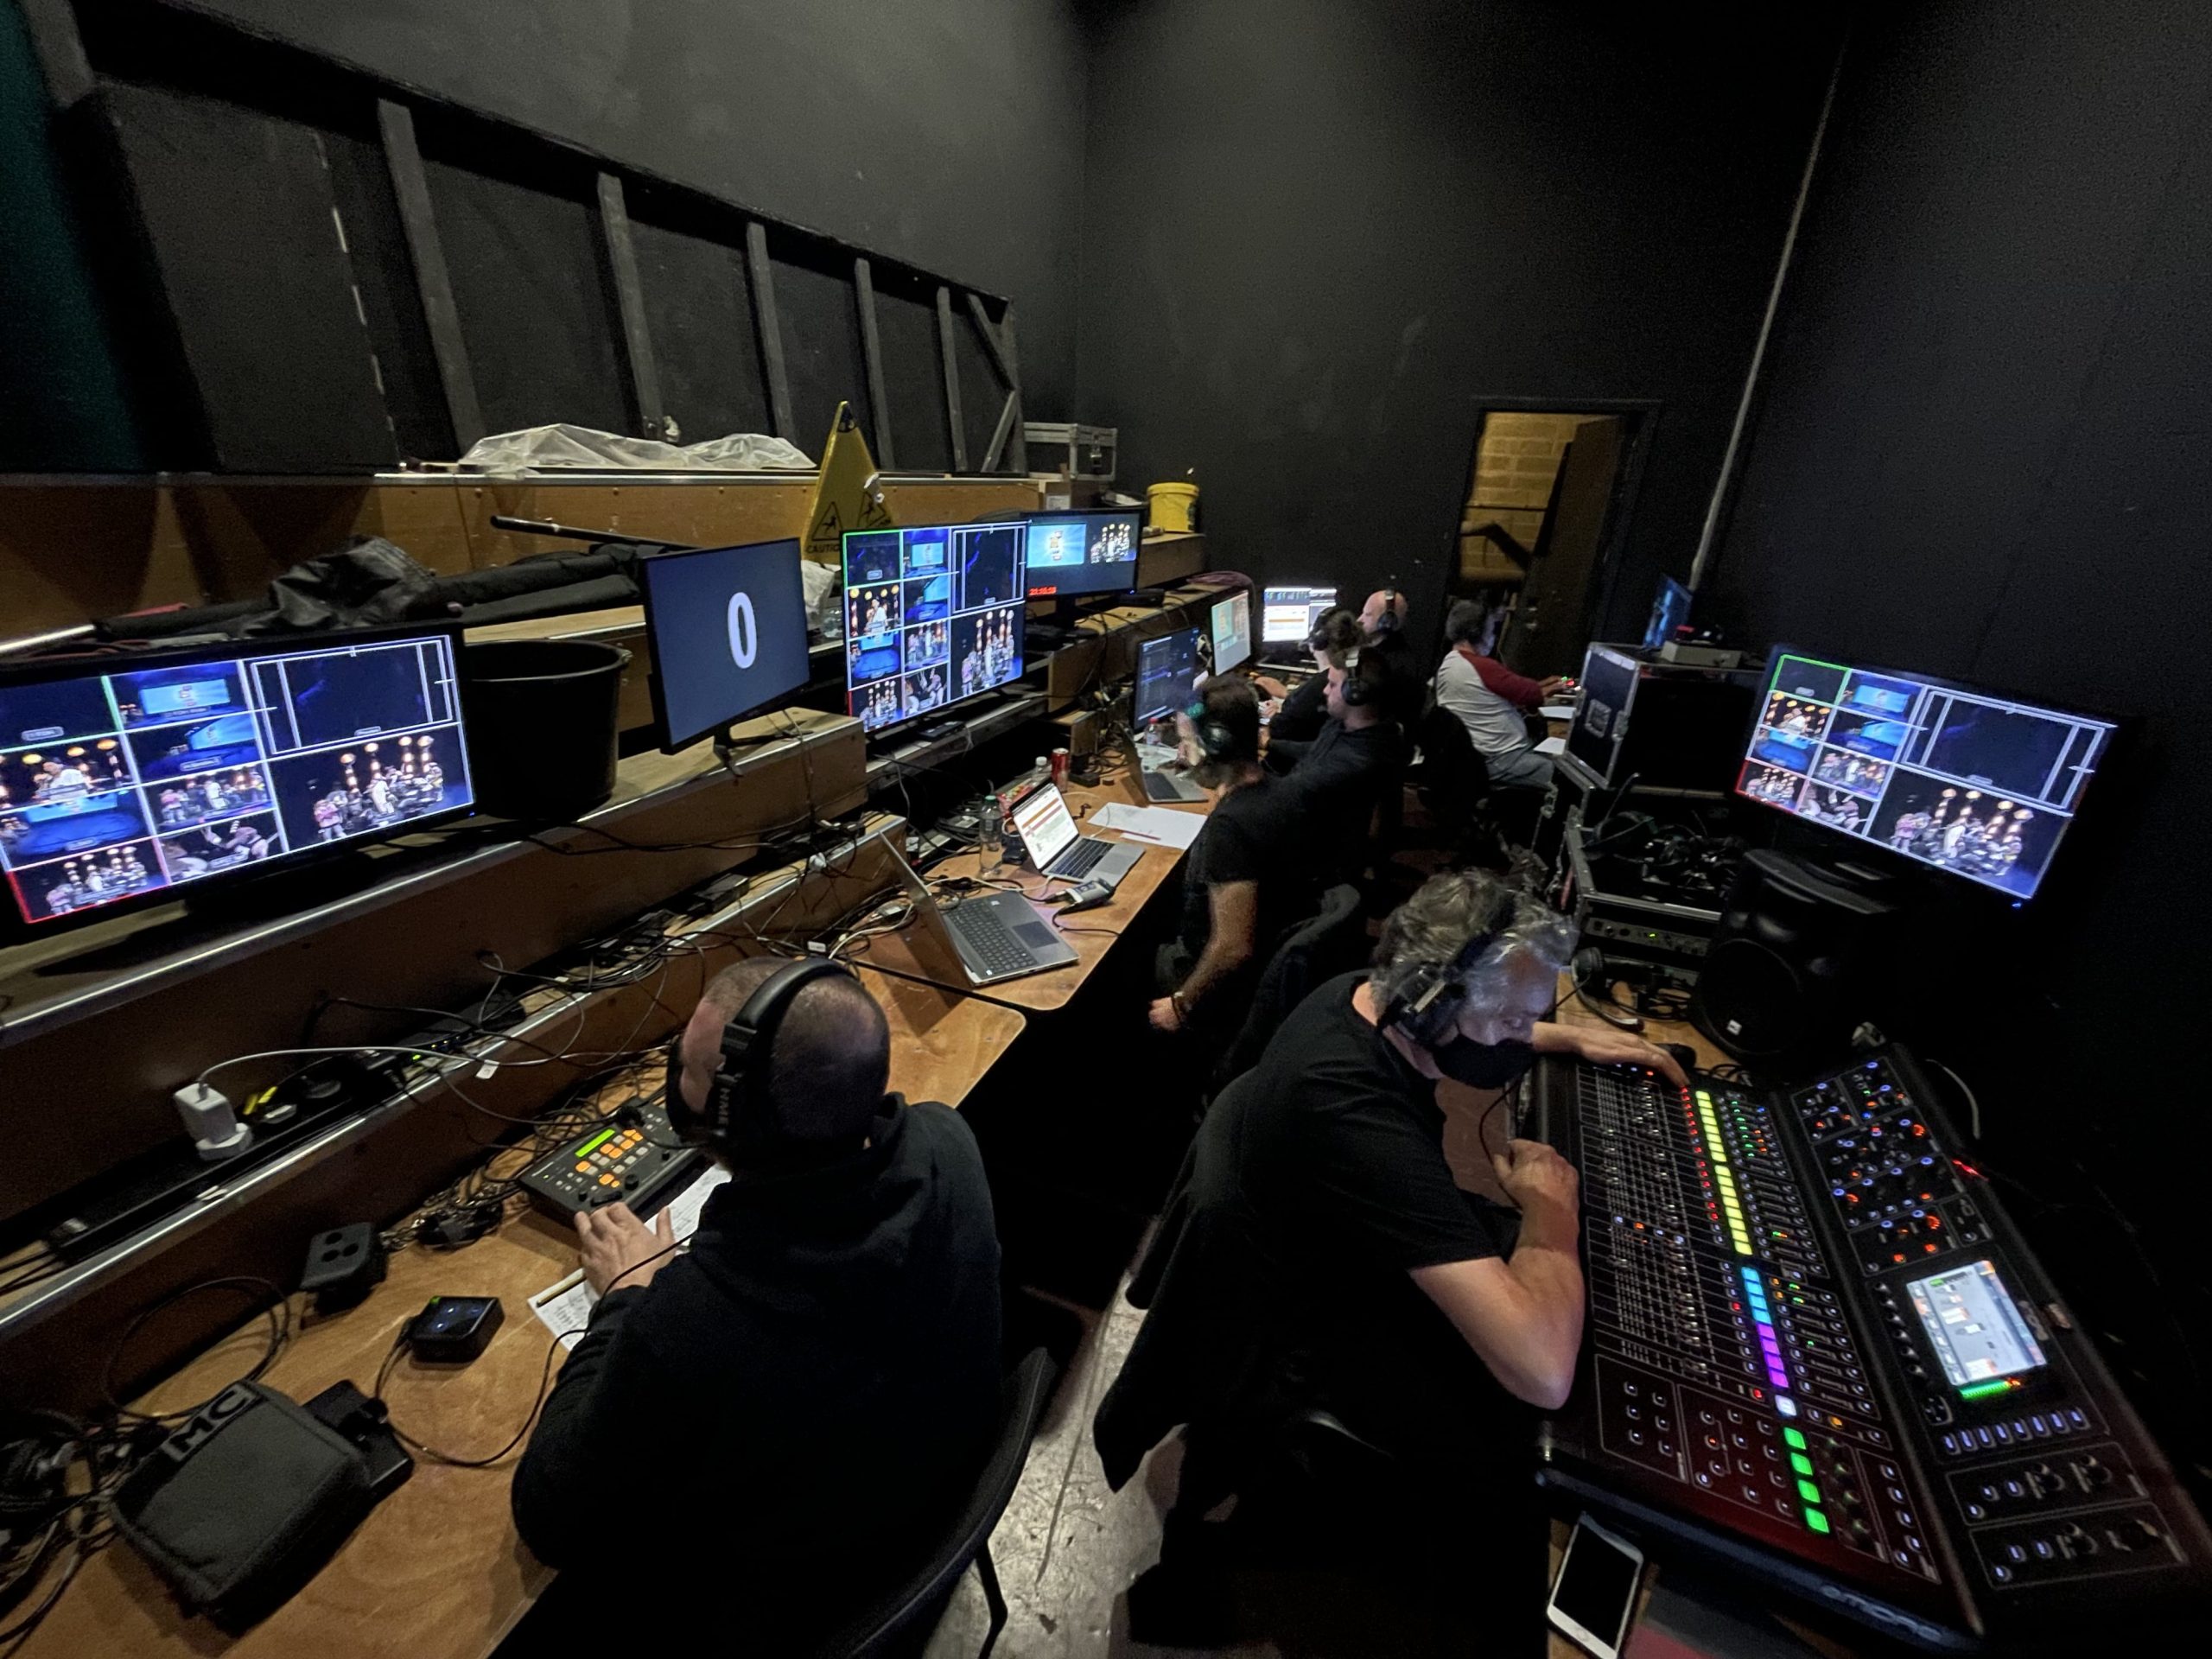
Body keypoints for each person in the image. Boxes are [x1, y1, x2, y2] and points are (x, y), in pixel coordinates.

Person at [1096, 871, 1684, 1643]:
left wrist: (1562, 1034)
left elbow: (1459, 1027)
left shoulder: (1356, 996)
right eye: (1511, 1021)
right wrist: (1550, 1211)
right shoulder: (1353, 1115)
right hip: (1312, 1326)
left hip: (1328, 1253)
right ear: (1431, 1006)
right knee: (1567, 1417)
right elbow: (1541, 1369)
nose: (1521, 1036)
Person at [508, 957, 1002, 1651]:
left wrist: (624, 1298)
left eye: (688, 1065)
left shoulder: (695, 1318)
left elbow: (548, 1515)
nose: (673, 1075)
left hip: (781, 1610)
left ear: (734, 1115)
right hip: (923, 1500)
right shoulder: (947, 1140)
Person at [1150, 677, 1313, 1057]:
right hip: (1271, 961)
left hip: (1221, 987)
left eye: (1187, 742)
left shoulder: (1232, 828)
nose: (1183, 752)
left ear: (1216, 745)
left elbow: (1232, 947)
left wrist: (1181, 1003)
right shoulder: (1279, 788)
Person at [1269, 648, 1402, 883]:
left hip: (1315, 862)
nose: (1324, 690)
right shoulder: (1352, 726)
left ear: (1355, 695)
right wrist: (1270, 743)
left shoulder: (1354, 763)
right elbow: (1316, 750)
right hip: (1307, 823)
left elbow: (1285, 797)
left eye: (1332, 685)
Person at [1433, 596, 1567, 790]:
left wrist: (1543, 685)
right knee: (1566, 778)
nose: (1493, 636)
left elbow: (1505, 692)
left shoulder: (1451, 663)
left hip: (1481, 758)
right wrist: (1553, 687)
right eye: (1491, 630)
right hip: (1502, 760)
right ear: (1477, 633)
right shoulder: (1481, 666)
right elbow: (1530, 694)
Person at [1255, 607, 1361, 745]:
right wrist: (1286, 695)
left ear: (1317, 641)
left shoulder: (1321, 685)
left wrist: (1270, 715)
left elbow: (1278, 730)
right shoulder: (1354, 672)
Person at [1357, 587, 1425, 730]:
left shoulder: (1397, 667)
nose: (1359, 620)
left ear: (1387, 622)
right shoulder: (1372, 651)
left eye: (1367, 615)